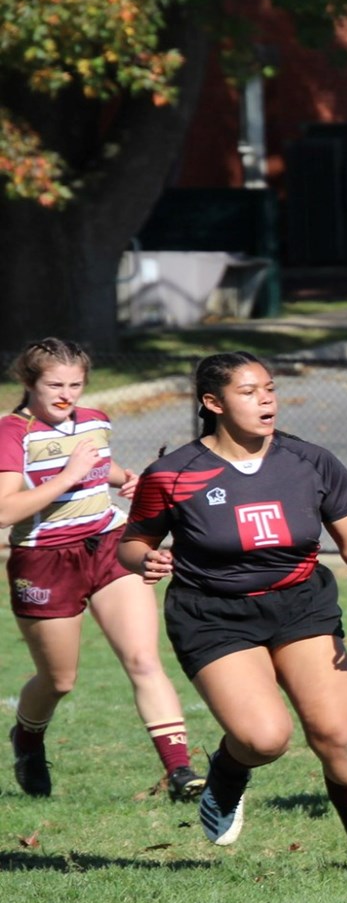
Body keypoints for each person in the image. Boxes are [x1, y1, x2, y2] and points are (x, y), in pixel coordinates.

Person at [119, 352, 347, 879]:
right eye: (249, 392)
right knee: (264, 738)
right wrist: (149, 557)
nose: (266, 400)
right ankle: (228, 772)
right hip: (212, 613)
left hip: (301, 603)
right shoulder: (174, 473)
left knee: (338, 735)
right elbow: (132, 543)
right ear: (214, 403)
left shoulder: (311, 461)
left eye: (270, 389)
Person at [1, 338, 204, 801]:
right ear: (29, 382)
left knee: (143, 659)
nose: (66, 394)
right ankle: (28, 739)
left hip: (110, 546)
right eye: (55, 384)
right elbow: (5, 510)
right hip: (45, 560)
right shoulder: (11, 432)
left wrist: (128, 478)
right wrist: (68, 476)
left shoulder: (94, 421)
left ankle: (180, 773)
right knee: (59, 680)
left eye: (76, 384)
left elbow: (100, 461)